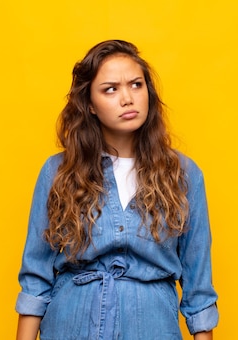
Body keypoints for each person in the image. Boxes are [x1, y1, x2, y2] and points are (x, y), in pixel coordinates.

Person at [15, 40, 218, 340]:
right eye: (110, 89)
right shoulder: (58, 172)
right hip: (70, 326)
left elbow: (198, 286)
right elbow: (36, 278)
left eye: (136, 85)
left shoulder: (184, 175)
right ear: (90, 105)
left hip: (152, 327)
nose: (127, 98)